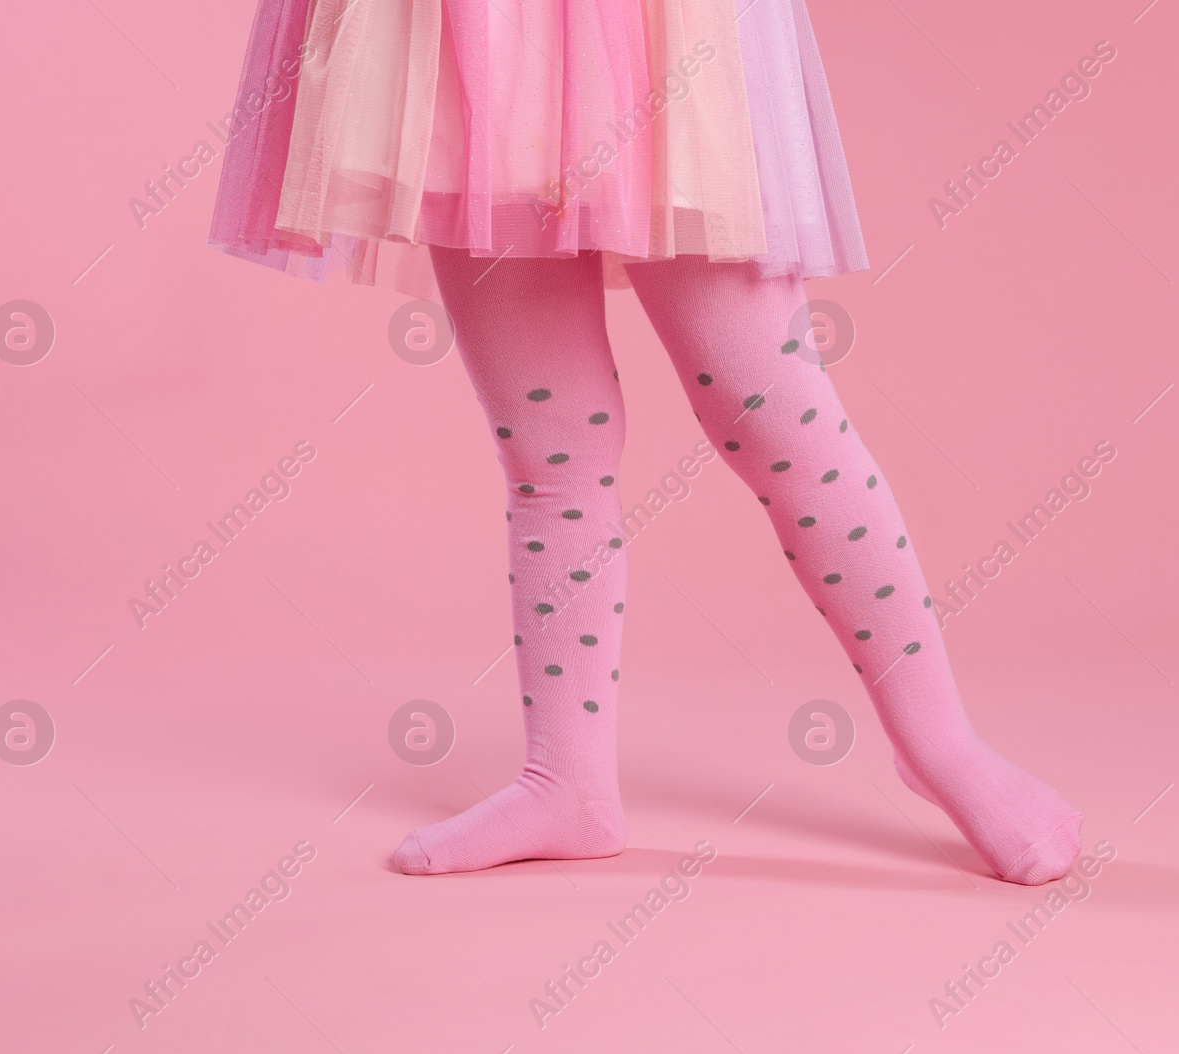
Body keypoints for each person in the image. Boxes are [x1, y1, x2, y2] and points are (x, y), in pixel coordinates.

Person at [208, 0, 1083, 885]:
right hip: (461, 28)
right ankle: (567, 780)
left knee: (771, 405)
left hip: (648, 29)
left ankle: (941, 743)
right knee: (549, 450)